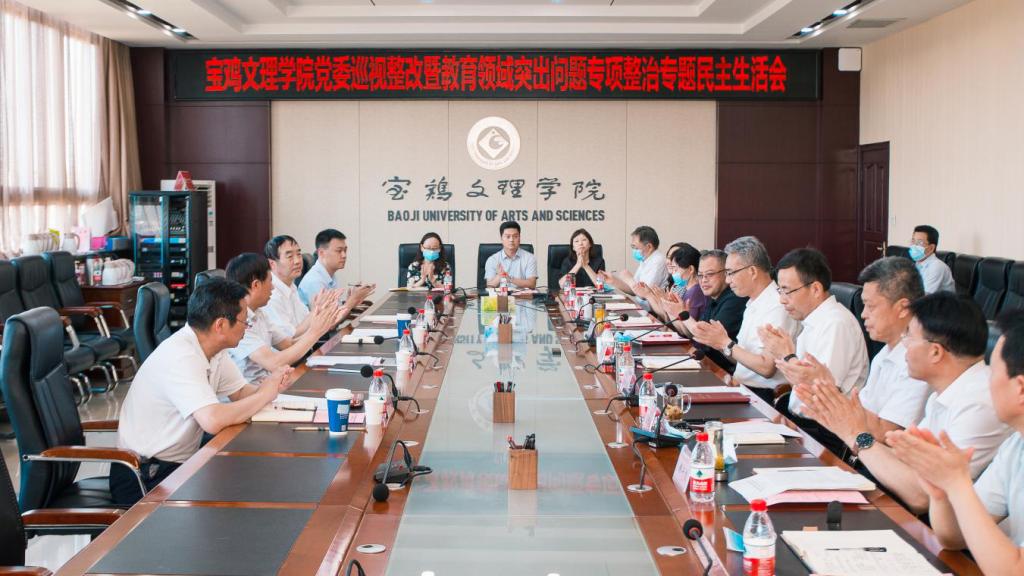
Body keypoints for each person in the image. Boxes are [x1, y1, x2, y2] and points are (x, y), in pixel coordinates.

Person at [797, 294, 1012, 514]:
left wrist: (856, 436)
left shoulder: (978, 403)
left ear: (935, 352)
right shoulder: (945, 392)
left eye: (908, 336)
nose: (903, 345)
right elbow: (906, 462)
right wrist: (848, 427)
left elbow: (922, 497)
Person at [111, 277, 295, 505]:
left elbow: (241, 393)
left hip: (179, 463)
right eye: (244, 322)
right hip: (145, 474)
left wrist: (272, 386)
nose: (247, 328)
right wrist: (266, 393)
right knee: (248, 487)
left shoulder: (214, 350)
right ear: (220, 325)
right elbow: (213, 420)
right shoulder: (181, 356)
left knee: (257, 470)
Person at [887, 311, 1024, 573]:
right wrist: (940, 493)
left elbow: (1012, 570)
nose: (987, 379)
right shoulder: (1016, 445)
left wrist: (957, 483)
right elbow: (953, 538)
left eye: (993, 371)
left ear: (1020, 388)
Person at [758, 248, 869, 456]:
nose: (782, 300)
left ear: (816, 289)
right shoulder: (813, 320)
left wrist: (786, 356)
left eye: (787, 291)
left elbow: (824, 394)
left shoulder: (835, 324)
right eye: (779, 291)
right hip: (801, 423)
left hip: (825, 434)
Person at [689, 237, 800, 405]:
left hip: (763, 397)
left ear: (752, 271)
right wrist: (721, 344)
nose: (728, 280)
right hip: (740, 387)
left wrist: (725, 343)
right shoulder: (752, 302)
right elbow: (741, 359)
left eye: (731, 273)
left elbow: (766, 368)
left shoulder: (777, 305)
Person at [226, 253, 344, 383]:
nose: (272, 287)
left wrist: (320, 323)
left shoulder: (259, 313)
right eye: (270, 281)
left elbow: (288, 344)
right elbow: (274, 363)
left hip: (272, 383)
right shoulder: (237, 321)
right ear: (256, 285)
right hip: (253, 391)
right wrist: (315, 332)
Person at [664, 249, 747, 372]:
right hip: (705, 363)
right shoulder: (713, 297)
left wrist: (683, 314)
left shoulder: (734, 299)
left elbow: (705, 335)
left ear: (726, 273)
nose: (703, 280)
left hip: (722, 371)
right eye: (700, 275)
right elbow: (694, 334)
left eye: (710, 274)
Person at [264, 235, 357, 339]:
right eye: (290, 256)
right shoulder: (271, 295)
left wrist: (324, 312)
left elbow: (309, 323)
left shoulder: (291, 287)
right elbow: (289, 338)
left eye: (299, 254)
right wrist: (318, 310)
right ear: (272, 264)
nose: (297, 261)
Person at [297, 228, 376, 307]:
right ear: (321, 253)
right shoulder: (314, 282)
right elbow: (327, 315)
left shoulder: (329, 274)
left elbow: (336, 308)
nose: (344, 255)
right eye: (339, 251)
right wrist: (352, 301)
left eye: (345, 250)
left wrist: (352, 301)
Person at [635, 242, 707, 326]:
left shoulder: (695, 292)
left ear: (691, 269)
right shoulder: (687, 288)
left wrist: (663, 302)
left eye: (675, 269)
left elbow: (684, 329)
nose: (673, 273)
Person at [598, 226, 668, 296]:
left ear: (649, 247)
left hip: (647, 303)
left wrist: (629, 279)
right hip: (639, 302)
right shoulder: (645, 260)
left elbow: (644, 294)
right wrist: (613, 280)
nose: (634, 250)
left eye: (635, 248)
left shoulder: (658, 261)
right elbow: (633, 291)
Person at [484, 221, 538, 289]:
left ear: (519, 238)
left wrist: (510, 278)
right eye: (508, 236)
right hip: (500, 295)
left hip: (523, 295)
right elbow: (489, 286)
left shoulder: (529, 258)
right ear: (501, 238)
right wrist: (500, 276)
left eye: (515, 236)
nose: (511, 240)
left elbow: (532, 284)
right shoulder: (493, 259)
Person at [909, 225, 955, 294]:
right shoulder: (917, 264)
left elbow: (924, 296)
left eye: (919, 242)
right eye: (913, 241)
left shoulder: (937, 266)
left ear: (931, 248)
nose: (914, 246)